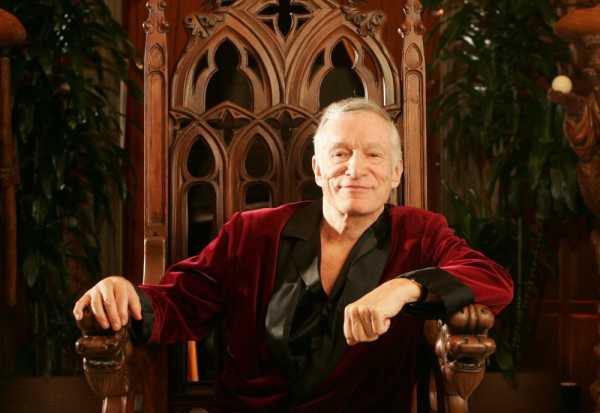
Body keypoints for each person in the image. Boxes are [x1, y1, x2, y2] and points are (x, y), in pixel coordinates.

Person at [73, 98, 513, 412]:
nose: (355, 168)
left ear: (395, 173)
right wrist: (123, 291)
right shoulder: (252, 233)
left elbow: (492, 279)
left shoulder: (420, 233)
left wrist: (404, 287)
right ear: (318, 169)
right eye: (340, 153)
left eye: (374, 155)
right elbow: (180, 301)